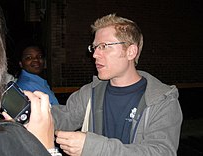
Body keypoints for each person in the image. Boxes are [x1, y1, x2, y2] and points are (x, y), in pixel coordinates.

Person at [51, 14, 183, 156]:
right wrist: (30, 112)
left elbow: (161, 152)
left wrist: (93, 147)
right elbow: (63, 117)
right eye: (94, 47)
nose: (95, 54)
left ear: (131, 52)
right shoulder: (91, 92)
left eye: (104, 46)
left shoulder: (162, 101)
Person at [0, 0, 59, 155]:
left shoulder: (41, 82)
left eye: (38, 57)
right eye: (29, 58)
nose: (35, 60)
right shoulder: (26, 87)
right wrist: (48, 150)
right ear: (20, 63)